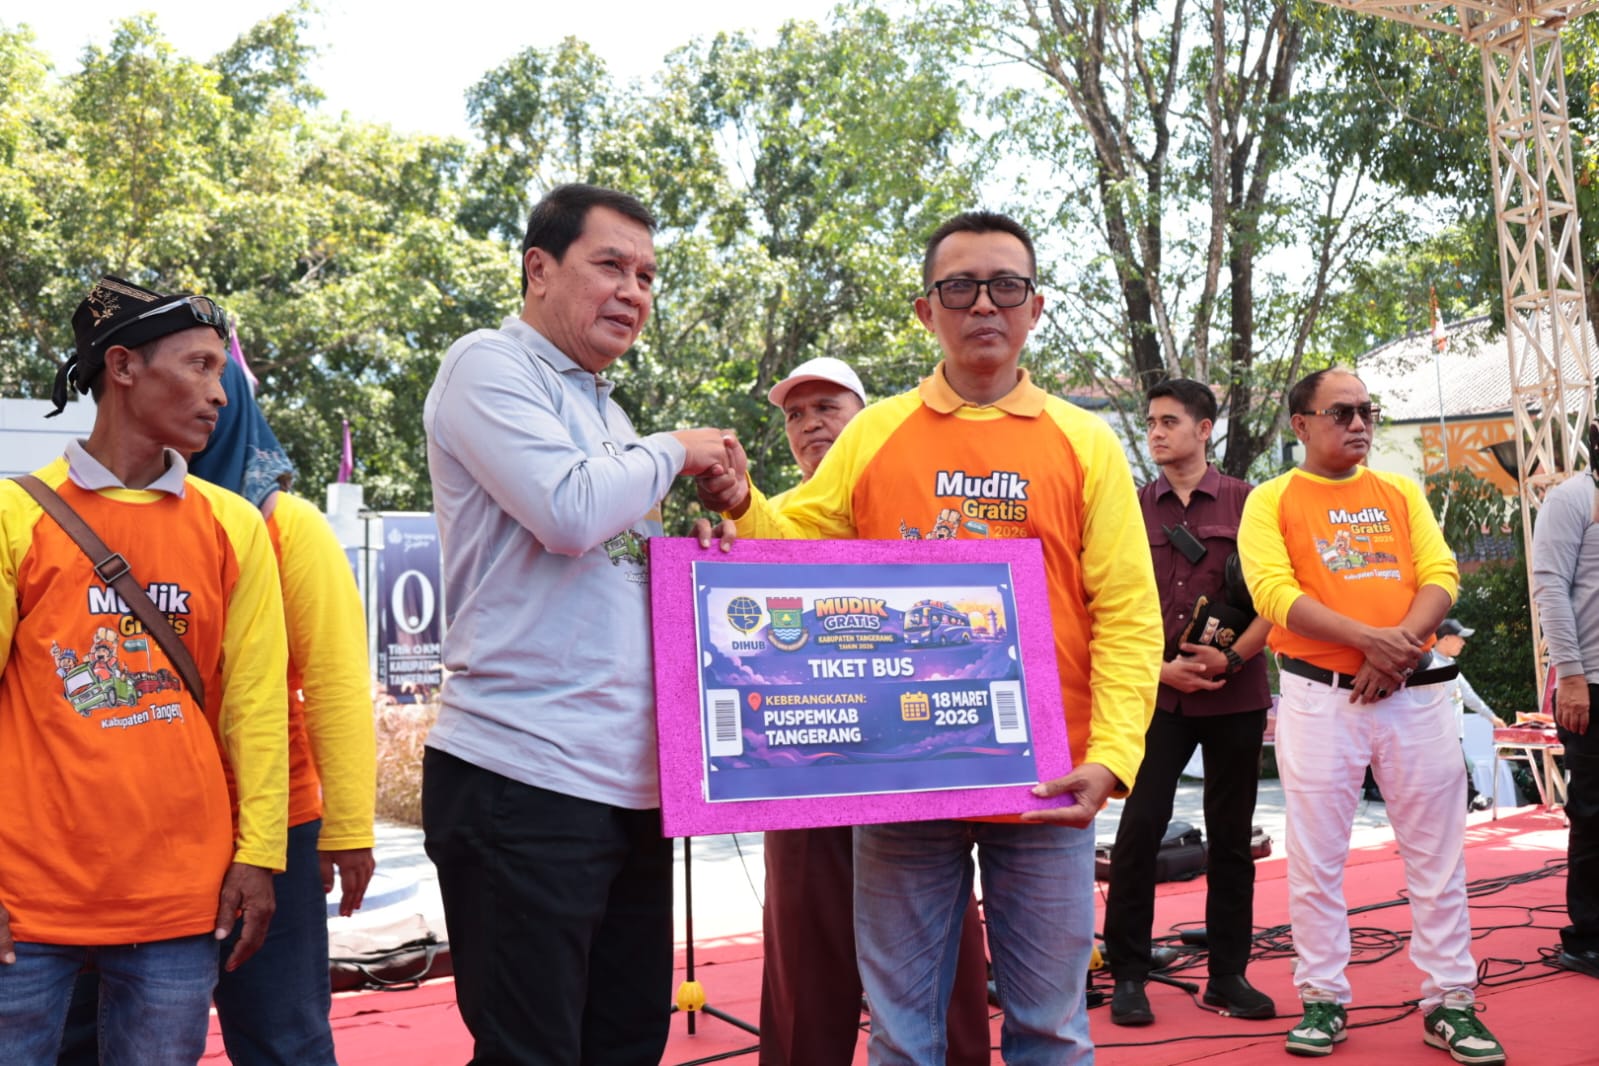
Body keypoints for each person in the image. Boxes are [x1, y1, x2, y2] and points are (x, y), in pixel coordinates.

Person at [699, 211, 1162, 1064]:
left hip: (1048, 781)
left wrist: (1111, 755)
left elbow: (1128, 612)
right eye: (959, 287)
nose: (983, 304)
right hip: (903, 776)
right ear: (926, 311)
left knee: (1051, 1030)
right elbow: (793, 544)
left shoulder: (1084, 442)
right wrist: (740, 508)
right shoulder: (876, 433)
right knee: (904, 1038)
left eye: (1005, 286)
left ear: (1034, 307)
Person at [421, 183, 738, 1064]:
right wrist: (674, 450)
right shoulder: (487, 365)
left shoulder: (608, 412)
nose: (632, 291)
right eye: (610, 265)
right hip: (522, 771)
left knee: (627, 1041)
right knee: (533, 1052)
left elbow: (612, 561)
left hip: (630, 784)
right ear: (538, 268)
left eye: (647, 275)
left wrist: (701, 544)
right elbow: (567, 513)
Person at [0, 275, 288, 1064]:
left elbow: (256, 703)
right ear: (123, 367)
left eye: (220, 370)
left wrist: (259, 855)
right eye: (199, 365)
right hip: (27, 897)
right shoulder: (16, 515)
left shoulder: (232, 525)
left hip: (181, 898)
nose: (220, 394)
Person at [1238, 367, 1505, 1063]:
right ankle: (1323, 999)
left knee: (1437, 856)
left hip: (1414, 696)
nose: (1359, 423)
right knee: (1316, 860)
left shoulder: (1399, 491)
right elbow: (1272, 594)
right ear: (1301, 423)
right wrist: (1372, 643)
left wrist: (1397, 653)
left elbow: (1440, 575)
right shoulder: (1271, 500)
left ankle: (1450, 1002)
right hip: (1320, 701)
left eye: (1367, 410)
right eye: (1342, 412)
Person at [744, 357, 993, 1065]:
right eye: (794, 415)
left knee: (939, 935)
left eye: (826, 407)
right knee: (802, 940)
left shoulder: (913, 501)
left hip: (913, 757)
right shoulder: (769, 519)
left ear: (866, 418)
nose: (809, 424)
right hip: (805, 761)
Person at [190, 357, 377, 1064]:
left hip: (275, 820)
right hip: (147, 815)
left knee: (281, 1031)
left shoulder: (286, 525)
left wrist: (348, 827)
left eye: (218, 383)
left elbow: (334, 680)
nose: (208, 398)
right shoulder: (114, 512)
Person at [1104, 378, 1276, 1027]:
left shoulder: (1248, 503)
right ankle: (1127, 974)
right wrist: (1158, 671)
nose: (1155, 432)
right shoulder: (1129, 507)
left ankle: (1227, 976)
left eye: (1169, 421)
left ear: (1204, 429)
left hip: (1235, 693)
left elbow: (1277, 598)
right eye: (1150, 421)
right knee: (1137, 832)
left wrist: (1232, 659)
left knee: (1231, 840)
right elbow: (1109, 604)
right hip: (1155, 696)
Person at [1529, 460, 1599, 980]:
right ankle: (1589, 939)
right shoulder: (1573, 498)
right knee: (1595, 814)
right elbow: (1551, 589)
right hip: (1590, 681)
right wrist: (1570, 676)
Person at [1431, 618, 1502, 810]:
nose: (1463, 642)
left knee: (1452, 775)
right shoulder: (1431, 664)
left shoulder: (1448, 663)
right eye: (1459, 638)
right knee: (1458, 770)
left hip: (1453, 732)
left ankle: (1466, 803)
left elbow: (1468, 694)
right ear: (1445, 638)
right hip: (1438, 733)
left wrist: (1491, 716)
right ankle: (1472, 798)